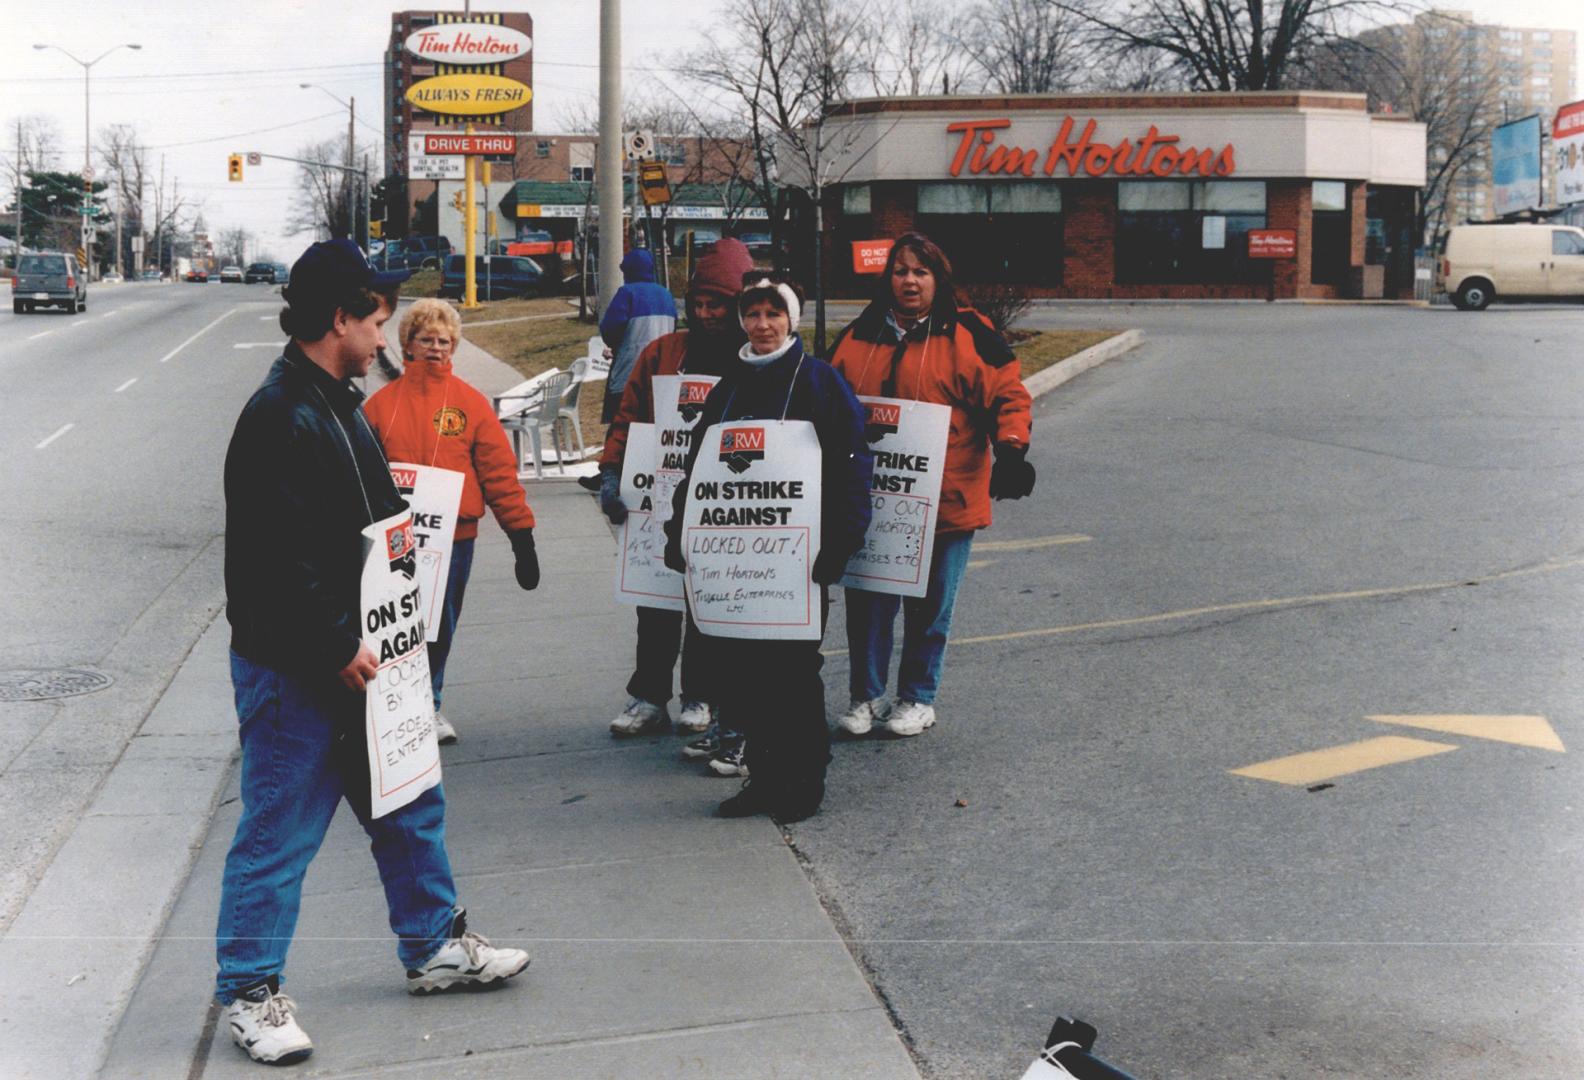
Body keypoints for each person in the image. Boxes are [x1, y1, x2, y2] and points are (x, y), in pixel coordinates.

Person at [218, 240, 529, 1066]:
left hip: (369, 652)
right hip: (303, 667)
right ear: (338, 319)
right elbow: (271, 556)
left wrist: (400, 618)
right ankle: (250, 991)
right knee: (280, 826)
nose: (385, 329)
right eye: (375, 316)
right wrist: (333, 642)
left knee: (405, 799)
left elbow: (373, 520)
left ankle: (431, 943)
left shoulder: (338, 399)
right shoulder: (282, 413)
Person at [663, 273, 873, 822]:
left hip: (797, 562)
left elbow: (853, 466)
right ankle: (764, 776)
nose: (762, 325)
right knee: (741, 675)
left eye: (772, 315)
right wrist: (678, 534)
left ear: (790, 320)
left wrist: (841, 542)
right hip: (734, 562)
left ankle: (804, 778)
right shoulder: (727, 386)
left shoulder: (820, 382)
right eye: (753, 315)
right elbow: (699, 470)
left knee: (792, 675)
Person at [827, 232, 1034, 739]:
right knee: (869, 607)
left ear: (938, 278)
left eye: (920, 271)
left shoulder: (968, 334)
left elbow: (1009, 393)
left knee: (930, 609)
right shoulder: (860, 335)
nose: (909, 280)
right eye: (900, 271)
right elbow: (827, 400)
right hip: (876, 503)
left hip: (948, 500)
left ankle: (917, 697)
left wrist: (1010, 448)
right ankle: (866, 697)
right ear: (888, 279)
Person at [597, 239, 754, 766]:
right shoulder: (664, 353)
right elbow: (630, 416)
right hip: (660, 499)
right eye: (700, 303)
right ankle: (648, 696)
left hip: (724, 504)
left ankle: (701, 695)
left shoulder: (753, 357)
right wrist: (612, 471)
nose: (707, 313)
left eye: (718, 304)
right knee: (656, 604)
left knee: (708, 606)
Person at [365, 298, 541, 745]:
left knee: (438, 624)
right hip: (396, 541)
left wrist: (522, 537)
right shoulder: (379, 408)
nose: (437, 348)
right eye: (427, 339)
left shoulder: (470, 404)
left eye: (445, 341)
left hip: (455, 540)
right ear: (408, 343)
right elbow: (360, 480)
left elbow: (499, 472)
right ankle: (394, 707)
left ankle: (430, 704)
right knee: (396, 626)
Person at [599, 247, 677, 422]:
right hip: (661, 374)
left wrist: (614, 347)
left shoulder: (627, 293)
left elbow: (610, 329)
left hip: (628, 373)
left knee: (624, 430)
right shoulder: (666, 294)